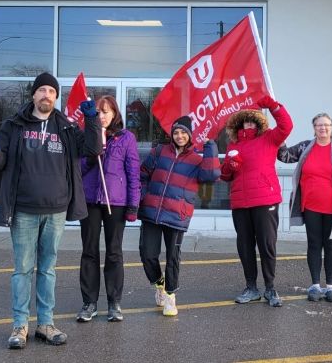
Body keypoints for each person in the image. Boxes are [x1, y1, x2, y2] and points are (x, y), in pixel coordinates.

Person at [0, 72, 101, 350]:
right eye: (42, 90)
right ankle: (20, 326)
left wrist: (93, 119)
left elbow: (94, 149)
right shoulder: (14, 125)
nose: (46, 94)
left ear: (56, 97)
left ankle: (45, 324)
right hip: (24, 209)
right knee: (23, 269)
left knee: (48, 269)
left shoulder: (67, 128)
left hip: (56, 210)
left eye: (51, 91)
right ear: (33, 94)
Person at [278, 113, 332, 303]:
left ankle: (331, 286)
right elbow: (284, 156)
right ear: (314, 128)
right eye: (319, 125)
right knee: (314, 244)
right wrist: (281, 137)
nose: (323, 128)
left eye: (326, 125)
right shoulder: (305, 147)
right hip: (311, 206)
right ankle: (315, 285)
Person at [137, 116, 219, 317]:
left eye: (183, 132)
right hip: (151, 211)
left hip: (177, 215)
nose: (179, 136)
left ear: (190, 135)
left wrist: (210, 146)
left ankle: (170, 296)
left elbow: (211, 176)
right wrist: (143, 196)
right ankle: (159, 284)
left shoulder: (197, 159)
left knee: (172, 258)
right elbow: (143, 173)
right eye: (176, 132)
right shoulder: (160, 151)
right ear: (171, 135)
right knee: (147, 254)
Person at [220, 95, 293, 307]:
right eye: (245, 120)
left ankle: (270, 288)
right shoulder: (234, 145)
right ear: (239, 123)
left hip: (265, 200)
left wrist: (274, 105)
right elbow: (225, 176)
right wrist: (230, 166)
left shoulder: (269, 138)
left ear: (259, 122)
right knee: (245, 246)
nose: (248, 123)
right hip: (241, 203)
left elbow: (286, 126)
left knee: (267, 245)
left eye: (252, 120)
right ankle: (251, 287)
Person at [76, 96, 141, 323]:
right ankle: (89, 302)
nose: (102, 116)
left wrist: (133, 205)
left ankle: (114, 302)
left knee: (114, 252)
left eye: (106, 112)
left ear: (114, 114)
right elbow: (78, 169)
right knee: (89, 251)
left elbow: (133, 173)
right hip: (91, 201)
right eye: (98, 112)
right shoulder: (86, 136)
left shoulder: (126, 138)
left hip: (117, 202)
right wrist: (92, 158)